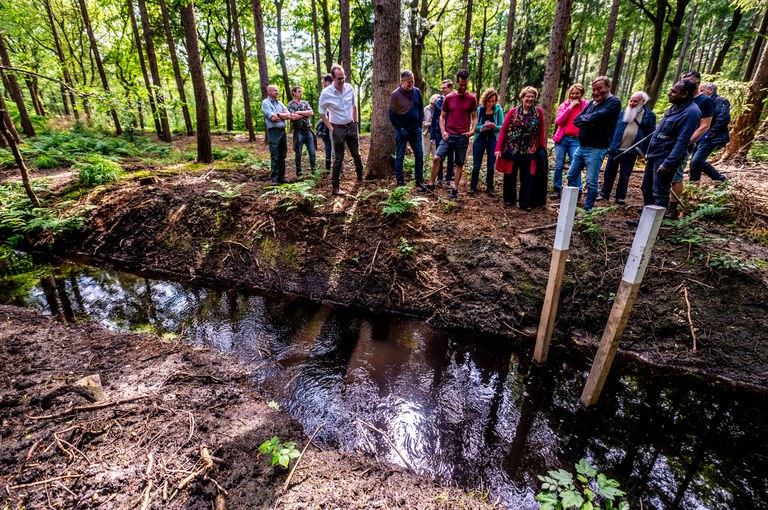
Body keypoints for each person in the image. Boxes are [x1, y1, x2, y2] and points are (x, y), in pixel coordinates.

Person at [640, 80, 701, 210]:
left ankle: (655, 225)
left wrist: (668, 163)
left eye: (674, 91)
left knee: (659, 191)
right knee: (646, 188)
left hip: (665, 157)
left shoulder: (691, 112)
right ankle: (646, 221)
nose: (669, 94)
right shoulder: (675, 107)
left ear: (684, 94)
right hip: (654, 155)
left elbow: (683, 141)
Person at [565, 76, 622, 210]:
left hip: (596, 149)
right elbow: (577, 120)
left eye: (599, 89)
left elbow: (599, 116)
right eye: (594, 89)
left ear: (608, 87)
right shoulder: (591, 103)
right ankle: (573, 203)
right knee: (571, 174)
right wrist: (591, 121)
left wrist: (589, 120)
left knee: (591, 181)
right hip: (582, 146)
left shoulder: (613, 102)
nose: (596, 92)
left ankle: (587, 210)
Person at [667, 70, 713, 219]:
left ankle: (672, 208)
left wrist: (684, 143)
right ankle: (659, 204)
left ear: (697, 83)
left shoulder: (704, 101)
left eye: (689, 81)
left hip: (682, 145)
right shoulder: (680, 100)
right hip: (668, 143)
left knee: (676, 175)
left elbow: (704, 126)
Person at [598, 91, 656, 204]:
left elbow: (650, 135)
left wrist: (644, 152)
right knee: (609, 172)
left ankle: (620, 197)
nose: (632, 103)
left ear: (643, 102)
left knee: (625, 175)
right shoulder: (623, 113)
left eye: (636, 101)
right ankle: (604, 194)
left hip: (632, 151)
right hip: (615, 149)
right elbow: (612, 129)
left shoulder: (649, 116)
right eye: (631, 100)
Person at [494, 86, 547, 211]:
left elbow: (541, 131)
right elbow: (503, 130)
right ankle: (509, 200)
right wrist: (498, 148)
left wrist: (542, 147)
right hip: (512, 149)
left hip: (530, 150)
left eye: (532, 96)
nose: (530, 99)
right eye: (527, 96)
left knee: (528, 177)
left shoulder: (538, 112)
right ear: (522, 97)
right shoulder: (513, 112)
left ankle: (525, 203)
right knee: (510, 175)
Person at [427, 69, 477, 200]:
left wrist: (472, 131)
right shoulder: (449, 98)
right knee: (437, 157)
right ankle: (431, 184)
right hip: (449, 135)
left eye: (465, 84)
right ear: (456, 82)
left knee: (459, 163)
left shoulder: (472, 98)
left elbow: (475, 117)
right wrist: (443, 132)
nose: (463, 86)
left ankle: (455, 189)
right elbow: (441, 117)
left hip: (462, 136)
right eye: (461, 84)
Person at [319, 64, 365, 196]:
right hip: (337, 128)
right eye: (339, 78)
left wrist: (355, 122)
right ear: (332, 78)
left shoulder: (349, 88)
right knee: (339, 158)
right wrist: (331, 128)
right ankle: (335, 187)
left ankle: (360, 178)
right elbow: (322, 113)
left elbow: (354, 106)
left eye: (343, 77)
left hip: (351, 126)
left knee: (356, 154)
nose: (342, 81)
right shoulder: (326, 93)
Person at [389, 70, 425, 189]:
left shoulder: (417, 91)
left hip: (415, 130)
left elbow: (420, 108)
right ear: (402, 81)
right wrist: (400, 128)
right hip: (402, 131)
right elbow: (392, 114)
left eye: (412, 81)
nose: (411, 84)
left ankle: (419, 180)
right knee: (400, 156)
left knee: (419, 154)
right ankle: (400, 183)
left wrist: (419, 126)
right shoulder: (395, 94)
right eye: (409, 82)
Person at [551, 84, 587, 200]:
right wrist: (570, 107)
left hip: (576, 140)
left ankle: (578, 190)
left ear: (581, 94)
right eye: (572, 93)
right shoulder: (564, 105)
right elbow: (559, 121)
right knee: (558, 165)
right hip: (562, 140)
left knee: (575, 165)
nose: (574, 96)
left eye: (577, 93)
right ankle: (557, 189)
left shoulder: (586, 106)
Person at [689, 82, 729, 183]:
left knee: (697, 161)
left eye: (702, 90)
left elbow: (723, 119)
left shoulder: (720, 101)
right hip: (700, 136)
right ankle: (693, 186)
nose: (700, 93)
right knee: (694, 163)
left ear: (710, 91)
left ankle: (721, 180)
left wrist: (709, 135)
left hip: (711, 137)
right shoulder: (704, 102)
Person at [470, 87, 503, 196]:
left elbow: (502, 126)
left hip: (493, 139)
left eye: (493, 101)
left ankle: (490, 187)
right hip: (480, 139)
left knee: (490, 164)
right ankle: (473, 187)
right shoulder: (480, 110)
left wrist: (494, 127)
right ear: (485, 100)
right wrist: (483, 127)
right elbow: (475, 127)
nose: (491, 103)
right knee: (476, 164)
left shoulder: (498, 110)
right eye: (489, 101)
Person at [261, 84, 291, 184]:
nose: (277, 92)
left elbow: (288, 115)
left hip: (283, 132)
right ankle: (274, 179)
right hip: (273, 132)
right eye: (275, 91)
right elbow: (272, 118)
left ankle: (281, 177)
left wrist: (278, 115)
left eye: (277, 90)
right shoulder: (265, 103)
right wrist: (282, 116)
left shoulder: (280, 103)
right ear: (269, 92)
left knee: (282, 155)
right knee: (275, 155)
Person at [430, 80, 455, 187]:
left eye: (444, 88)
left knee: (450, 157)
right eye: (441, 88)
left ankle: (448, 179)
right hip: (438, 133)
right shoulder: (438, 102)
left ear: (450, 88)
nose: (442, 90)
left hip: (451, 133)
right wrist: (432, 136)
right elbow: (434, 118)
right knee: (438, 156)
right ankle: (439, 179)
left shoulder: (455, 100)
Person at [287, 85, 316, 178]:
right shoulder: (290, 104)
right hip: (298, 132)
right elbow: (292, 117)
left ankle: (314, 173)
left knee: (312, 153)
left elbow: (311, 112)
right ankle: (299, 174)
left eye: (301, 92)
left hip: (308, 131)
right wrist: (305, 114)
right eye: (299, 92)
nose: (301, 93)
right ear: (294, 92)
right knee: (298, 153)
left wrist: (299, 112)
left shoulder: (305, 103)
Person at [316, 74, 334, 173]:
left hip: (333, 126)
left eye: (324, 82)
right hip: (325, 129)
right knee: (328, 150)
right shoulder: (324, 94)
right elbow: (322, 113)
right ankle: (327, 170)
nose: (323, 84)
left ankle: (339, 170)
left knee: (335, 150)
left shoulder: (335, 93)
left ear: (328, 82)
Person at [423, 94, 439, 166]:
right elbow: (420, 122)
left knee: (435, 154)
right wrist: (428, 124)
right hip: (427, 134)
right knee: (425, 154)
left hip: (436, 134)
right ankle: (425, 170)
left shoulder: (440, 109)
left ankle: (434, 171)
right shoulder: (426, 109)